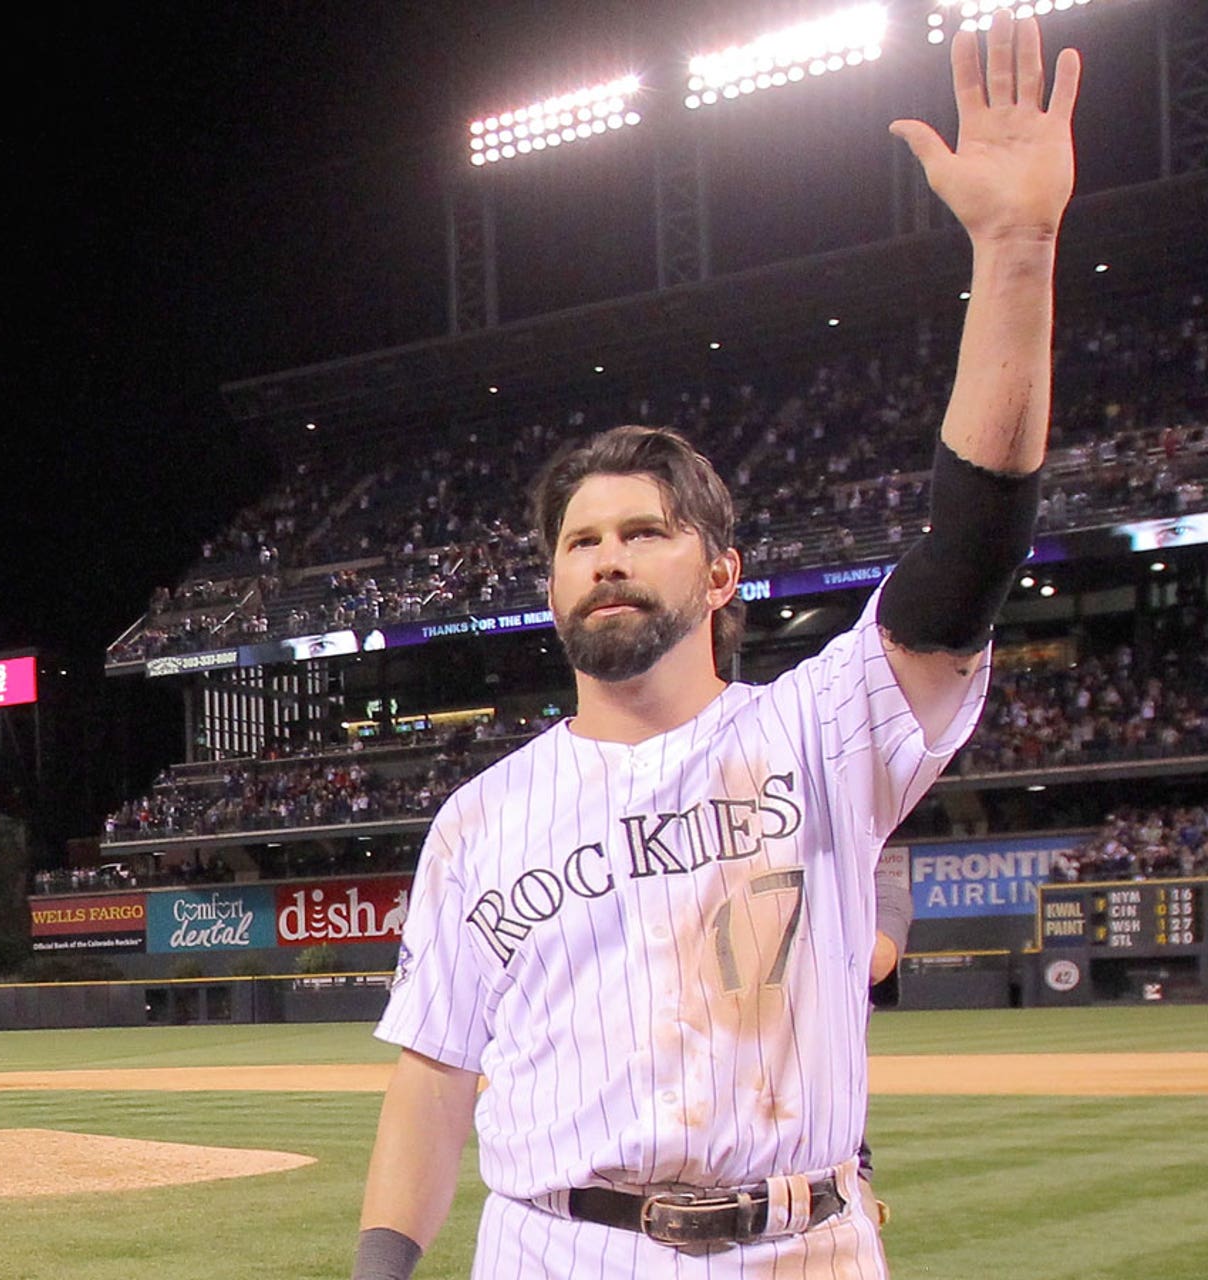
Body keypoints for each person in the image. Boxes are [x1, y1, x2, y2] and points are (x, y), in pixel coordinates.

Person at [353, 14, 1080, 1279]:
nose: (609, 556)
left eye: (646, 529)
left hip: (801, 1245)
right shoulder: (477, 819)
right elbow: (430, 1081)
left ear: (723, 570)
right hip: (557, 1250)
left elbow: (964, 555)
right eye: (581, 541)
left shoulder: (820, 727)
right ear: (550, 585)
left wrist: (1015, 250)